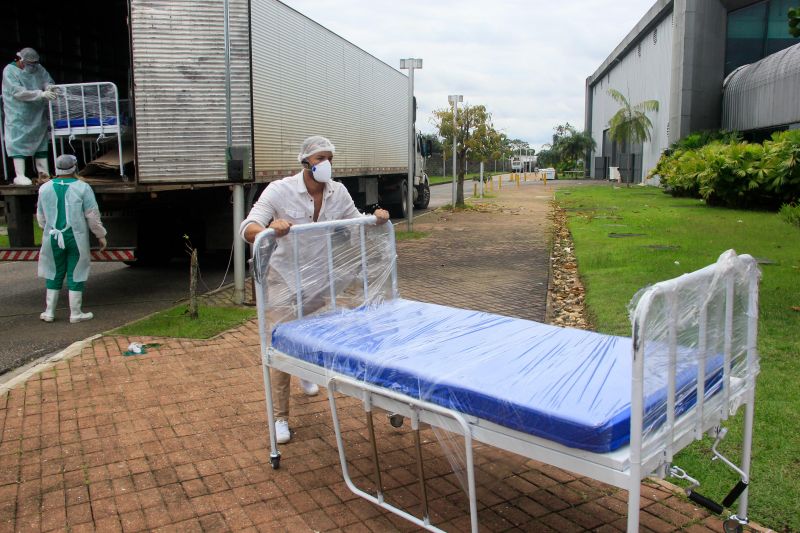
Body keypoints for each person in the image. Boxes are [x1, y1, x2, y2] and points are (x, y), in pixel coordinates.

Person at [240, 135, 390, 443]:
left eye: (330, 159)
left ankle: (306, 372)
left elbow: (354, 222)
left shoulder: (337, 192)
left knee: (313, 331)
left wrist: (376, 219)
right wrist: (270, 229)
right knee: (281, 342)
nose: (326, 165)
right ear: (306, 162)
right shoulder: (281, 190)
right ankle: (280, 418)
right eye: (321, 159)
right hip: (283, 276)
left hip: (319, 278)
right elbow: (248, 227)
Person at [37, 154, 108, 323]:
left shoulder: (44, 188)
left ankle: (49, 312)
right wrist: (101, 235)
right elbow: (92, 215)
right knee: (76, 272)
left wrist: (47, 228)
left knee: (53, 272)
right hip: (76, 237)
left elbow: (40, 217)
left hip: (52, 237)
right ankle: (75, 313)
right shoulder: (83, 187)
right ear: (74, 167)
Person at [2, 47, 57, 186]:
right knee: (18, 141)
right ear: (20, 60)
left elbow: (47, 80)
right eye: (29, 64)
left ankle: (43, 174)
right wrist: (40, 94)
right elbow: (17, 92)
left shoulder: (38, 68)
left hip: (37, 112)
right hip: (18, 113)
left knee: (40, 140)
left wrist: (49, 87)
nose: (32, 67)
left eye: (34, 64)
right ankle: (20, 175)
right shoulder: (9, 71)